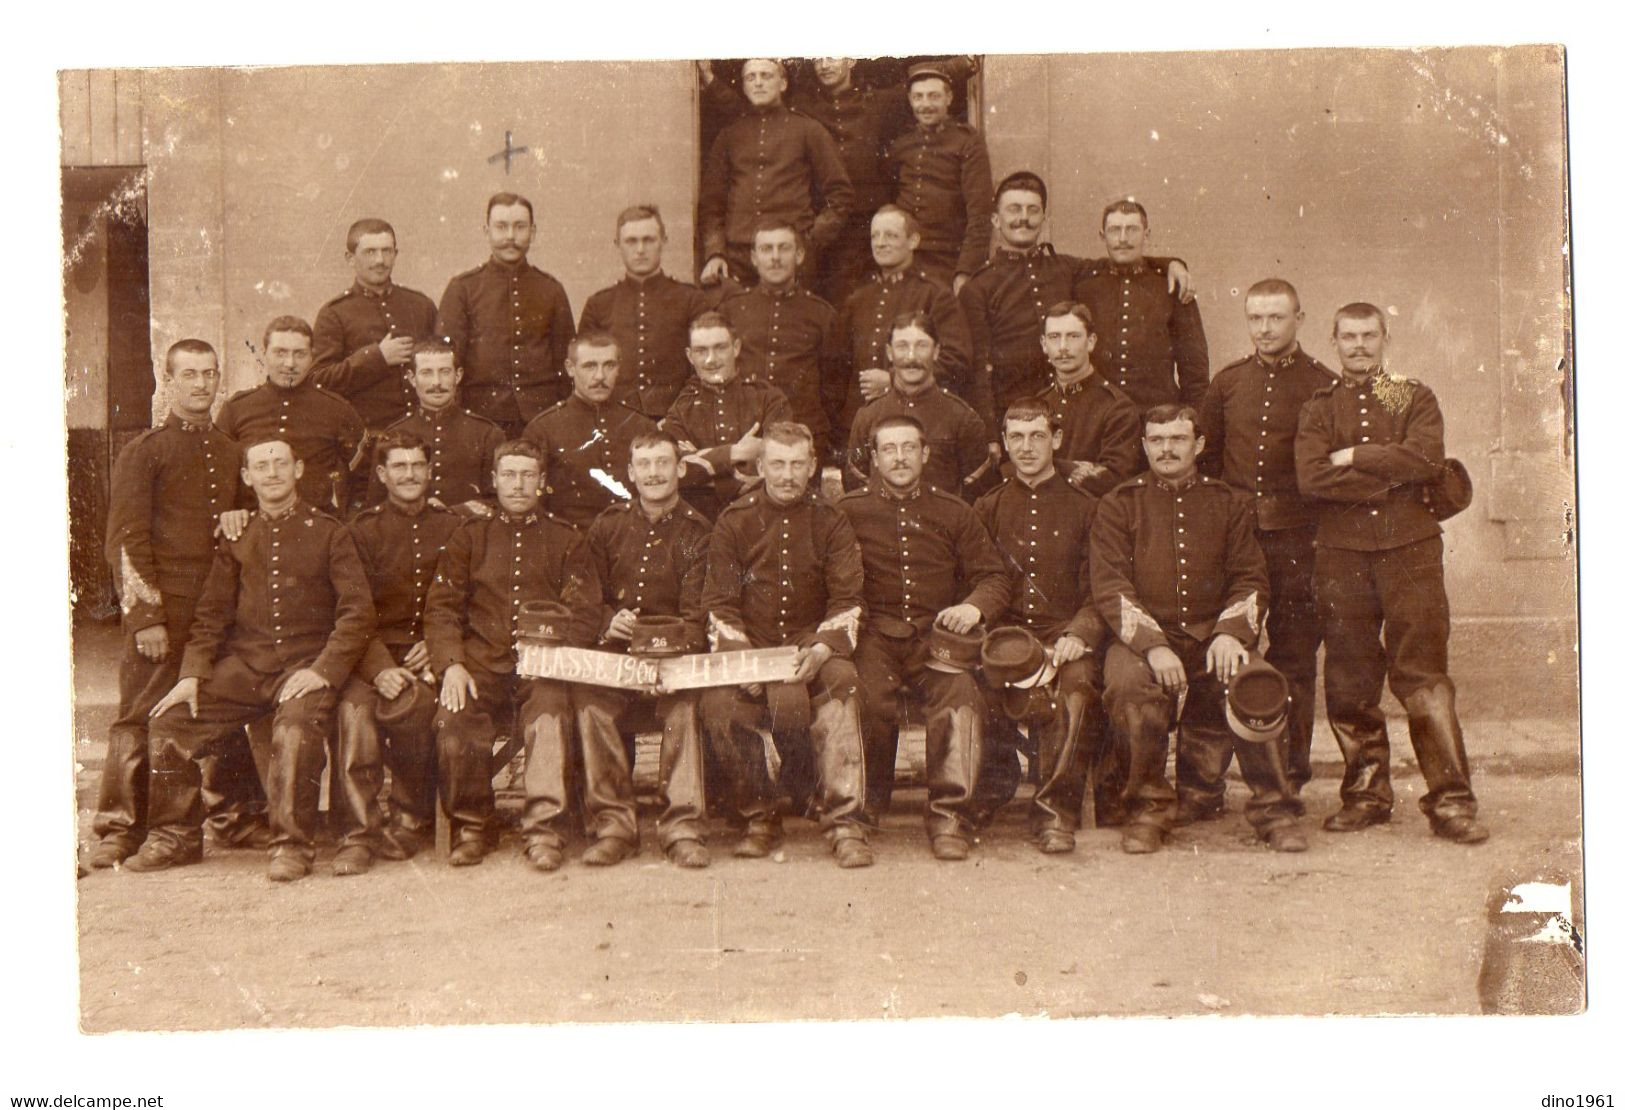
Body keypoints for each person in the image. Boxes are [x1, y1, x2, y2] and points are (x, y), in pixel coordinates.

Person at [129, 435, 376, 880]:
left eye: (281, 463)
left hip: (304, 667)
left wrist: (323, 671)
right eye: (262, 466)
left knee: (295, 731)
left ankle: (292, 846)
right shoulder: (239, 537)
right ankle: (176, 836)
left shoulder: (329, 532)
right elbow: (211, 615)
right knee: (170, 722)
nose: (273, 473)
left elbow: (357, 613)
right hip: (248, 667)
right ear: (247, 477)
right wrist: (191, 676)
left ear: (298, 470)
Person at [1295, 303, 1486, 843]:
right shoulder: (1318, 407)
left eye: (1369, 336)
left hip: (1411, 552)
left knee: (1423, 676)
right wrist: (1393, 472)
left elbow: (1427, 463)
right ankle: (1366, 796)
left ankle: (1452, 801)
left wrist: (1354, 454)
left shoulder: (1410, 395)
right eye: (1348, 336)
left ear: (1385, 338)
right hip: (1341, 554)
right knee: (1350, 678)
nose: (1359, 346)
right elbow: (1311, 481)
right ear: (1332, 340)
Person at [1091, 405, 1306, 854]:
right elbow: (1110, 584)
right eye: (1157, 440)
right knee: (1130, 687)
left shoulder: (1227, 502)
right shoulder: (1119, 503)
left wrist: (1230, 633)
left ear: (1199, 445)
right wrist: (1152, 646)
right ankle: (1148, 807)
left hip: (1212, 633)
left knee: (1256, 684)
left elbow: (1250, 576)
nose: (1167, 449)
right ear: (1145, 446)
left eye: (1178, 439)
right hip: (1143, 640)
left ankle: (1274, 810)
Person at [89, 339, 266, 869]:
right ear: (168, 382)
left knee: (213, 712)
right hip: (163, 611)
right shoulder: (146, 451)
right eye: (188, 375)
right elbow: (124, 541)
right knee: (141, 714)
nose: (200, 384)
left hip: (216, 611)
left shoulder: (232, 452)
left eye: (209, 374)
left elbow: (241, 529)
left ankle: (234, 818)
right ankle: (121, 828)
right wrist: (145, 617)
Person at [698, 422, 874, 868]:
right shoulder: (734, 521)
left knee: (843, 684)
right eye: (777, 463)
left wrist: (819, 650)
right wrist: (746, 664)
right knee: (718, 704)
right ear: (760, 466)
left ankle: (844, 821)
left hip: (808, 646)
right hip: (750, 649)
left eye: (798, 464)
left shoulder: (832, 521)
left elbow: (848, 599)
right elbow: (719, 605)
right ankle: (760, 816)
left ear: (813, 466)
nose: (788, 474)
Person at [837, 415, 1009, 856]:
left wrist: (972, 607)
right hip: (873, 635)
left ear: (925, 454)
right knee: (862, 697)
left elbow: (992, 577)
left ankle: (950, 815)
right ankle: (863, 812)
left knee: (959, 693)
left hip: (936, 636)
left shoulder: (954, 511)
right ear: (872, 458)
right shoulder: (846, 512)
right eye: (889, 449)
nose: (899, 458)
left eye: (909, 448)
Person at [423, 439, 594, 869]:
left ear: (543, 483)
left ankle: (543, 831)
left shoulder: (566, 540)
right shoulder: (468, 537)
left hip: (544, 669)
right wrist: (452, 665)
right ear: (495, 481)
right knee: (454, 718)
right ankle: (474, 825)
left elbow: (585, 611)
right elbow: (441, 608)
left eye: (528, 475)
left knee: (551, 715)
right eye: (510, 475)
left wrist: (552, 649)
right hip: (480, 666)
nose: (519, 485)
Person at [1197, 278, 1337, 794]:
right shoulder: (1228, 383)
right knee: (1225, 650)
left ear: (1298, 319)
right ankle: (1207, 780)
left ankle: (1291, 774)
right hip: (1237, 544)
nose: (1264, 328)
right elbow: (1207, 463)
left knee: (1296, 658)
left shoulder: (1322, 385)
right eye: (1255, 318)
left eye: (1275, 318)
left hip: (1299, 543)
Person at [972, 398, 1119, 850]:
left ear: (1055, 440)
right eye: (1016, 437)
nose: (1027, 447)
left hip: (1066, 634)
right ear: (1004, 444)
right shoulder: (988, 506)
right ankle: (994, 784)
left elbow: (1102, 588)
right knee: (973, 684)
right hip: (1006, 638)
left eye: (1037, 436)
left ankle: (1056, 811)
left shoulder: (1089, 508)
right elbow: (978, 579)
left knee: (1075, 689)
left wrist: (1079, 633)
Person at [572, 431, 714, 868]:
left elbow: (698, 612)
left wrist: (667, 649)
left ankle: (683, 828)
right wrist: (606, 621)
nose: (654, 473)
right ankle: (614, 826)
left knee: (685, 708)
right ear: (631, 474)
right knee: (590, 698)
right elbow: (584, 595)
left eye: (663, 463)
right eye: (645, 465)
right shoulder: (608, 525)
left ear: (680, 469)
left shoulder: (698, 532)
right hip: (618, 654)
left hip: (675, 658)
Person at [959, 172, 1190, 424]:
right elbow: (978, 371)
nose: (1023, 218)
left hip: (1074, 411)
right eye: (1014, 210)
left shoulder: (1066, 268)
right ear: (995, 219)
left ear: (1044, 219)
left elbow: (1120, 258)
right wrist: (990, 432)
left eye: (1033, 210)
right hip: (1014, 414)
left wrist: (1171, 264)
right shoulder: (978, 287)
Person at [333, 431, 463, 874]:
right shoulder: (361, 532)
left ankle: (410, 816)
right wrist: (379, 669)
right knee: (355, 711)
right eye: (400, 467)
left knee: (417, 708)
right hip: (372, 651)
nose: (410, 475)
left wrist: (437, 646)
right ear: (383, 475)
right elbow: (352, 612)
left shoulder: (454, 528)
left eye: (418, 466)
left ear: (430, 472)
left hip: (432, 650)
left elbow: (463, 601)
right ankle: (358, 830)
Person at [697, 59, 854, 291]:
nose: (758, 83)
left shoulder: (809, 130)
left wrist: (808, 243)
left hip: (791, 256)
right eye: (751, 78)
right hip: (738, 257)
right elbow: (712, 204)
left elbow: (840, 196)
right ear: (743, 86)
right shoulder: (729, 135)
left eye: (766, 76)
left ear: (782, 83)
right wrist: (715, 253)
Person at [436, 192, 576, 436]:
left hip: (541, 417)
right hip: (481, 418)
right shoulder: (463, 288)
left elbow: (566, 362)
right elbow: (448, 361)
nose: (510, 236)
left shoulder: (551, 289)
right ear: (486, 230)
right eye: (501, 227)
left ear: (532, 231)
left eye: (520, 227)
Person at [835, 206, 982, 433]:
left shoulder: (935, 296)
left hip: (917, 421)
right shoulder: (858, 299)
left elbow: (957, 361)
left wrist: (893, 379)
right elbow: (839, 369)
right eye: (875, 236)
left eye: (891, 235)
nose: (880, 243)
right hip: (861, 424)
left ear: (913, 241)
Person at [1071, 200, 1209, 417]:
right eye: (1114, 230)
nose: (1123, 239)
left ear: (1147, 234)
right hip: (1097, 416)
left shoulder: (1171, 285)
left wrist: (1193, 421)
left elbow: (1195, 370)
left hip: (1156, 417)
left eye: (1132, 229)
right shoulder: (1085, 287)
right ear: (1102, 236)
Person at [217, 316, 365, 514]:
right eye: (280, 353)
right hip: (252, 530)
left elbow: (363, 475)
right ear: (264, 354)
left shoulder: (337, 409)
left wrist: (347, 524)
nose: (289, 363)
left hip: (316, 531)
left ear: (312, 357)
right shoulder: (236, 408)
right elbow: (220, 477)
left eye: (300, 354)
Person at [577, 204, 714, 420]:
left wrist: (677, 416)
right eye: (631, 241)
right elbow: (584, 370)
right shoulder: (599, 304)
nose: (640, 249)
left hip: (678, 417)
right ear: (617, 245)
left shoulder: (691, 299)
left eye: (648, 240)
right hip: (614, 418)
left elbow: (706, 363)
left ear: (663, 241)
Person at [720, 220, 842, 461]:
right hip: (744, 432)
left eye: (783, 248)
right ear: (754, 258)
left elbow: (834, 385)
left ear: (799, 255)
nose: (775, 257)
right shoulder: (731, 310)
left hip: (802, 431)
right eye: (766, 249)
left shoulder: (822, 314)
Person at [309, 217, 438, 437]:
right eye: (370, 252)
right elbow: (319, 381)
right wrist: (376, 357)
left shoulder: (420, 305)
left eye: (387, 251)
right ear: (350, 258)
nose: (380, 260)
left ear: (395, 255)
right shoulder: (334, 313)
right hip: (369, 438)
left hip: (422, 434)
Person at [846, 311, 995, 498]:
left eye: (921, 346)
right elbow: (856, 488)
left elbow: (979, 495)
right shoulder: (868, 416)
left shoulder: (962, 418)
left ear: (936, 351)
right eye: (902, 346)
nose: (911, 357)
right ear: (889, 353)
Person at [659, 312, 792, 519]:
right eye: (701, 351)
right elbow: (678, 471)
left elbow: (780, 463)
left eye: (720, 348)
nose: (711, 359)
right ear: (689, 356)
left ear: (736, 348)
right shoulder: (680, 409)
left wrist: (705, 467)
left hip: (761, 516)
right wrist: (734, 453)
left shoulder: (768, 399)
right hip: (700, 518)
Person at [521, 330, 656, 529]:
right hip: (571, 541)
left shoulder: (641, 425)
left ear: (618, 368)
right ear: (570, 368)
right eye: (590, 366)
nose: (600, 376)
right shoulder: (542, 429)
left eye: (609, 365)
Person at [884, 62, 993, 294]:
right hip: (906, 259)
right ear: (910, 100)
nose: (925, 105)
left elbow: (980, 215)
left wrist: (964, 272)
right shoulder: (901, 145)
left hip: (948, 262)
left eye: (933, 96)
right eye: (918, 97)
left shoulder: (967, 142)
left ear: (949, 97)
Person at [372, 337, 505, 514]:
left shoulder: (487, 433)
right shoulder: (393, 434)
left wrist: (457, 512)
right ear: (412, 378)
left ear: (457, 376)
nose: (437, 382)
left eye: (444, 372)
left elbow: (501, 501)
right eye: (427, 373)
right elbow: (376, 505)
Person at [1032, 301, 1142, 497]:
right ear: (1043, 344)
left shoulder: (1117, 408)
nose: (1063, 347)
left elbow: (1114, 479)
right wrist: (1069, 468)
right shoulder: (1038, 404)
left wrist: (1042, 466)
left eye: (1073, 337)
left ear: (1091, 342)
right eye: (1054, 337)